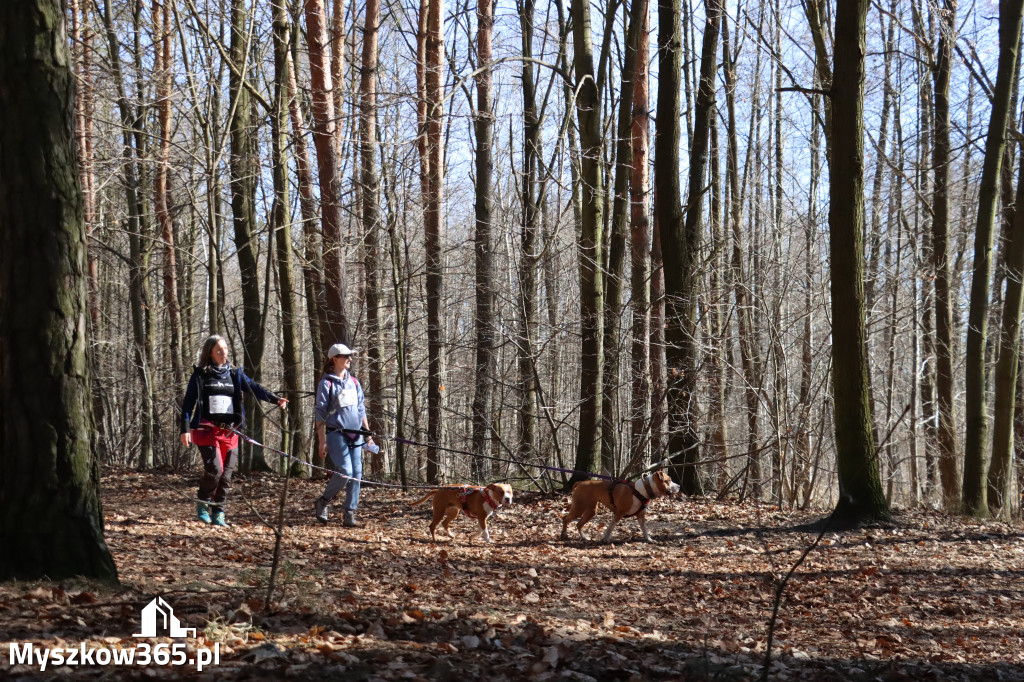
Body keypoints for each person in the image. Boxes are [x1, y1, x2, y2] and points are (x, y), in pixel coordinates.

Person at [180, 335, 287, 526]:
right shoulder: (201, 375)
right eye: (219, 350)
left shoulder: (235, 374)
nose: (223, 353)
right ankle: (203, 502)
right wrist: (185, 428)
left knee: (226, 474)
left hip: (230, 432)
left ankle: (219, 511)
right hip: (207, 430)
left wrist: (275, 399)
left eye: (225, 349)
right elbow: (188, 402)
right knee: (215, 470)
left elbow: (254, 388)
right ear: (210, 353)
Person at [313, 343, 376, 526]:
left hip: (356, 435)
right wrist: (321, 441)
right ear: (335, 359)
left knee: (356, 474)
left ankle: (349, 513)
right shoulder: (327, 383)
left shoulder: (354, 382)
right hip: (336, 434)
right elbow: (320, 413)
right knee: (346, 471)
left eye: (350, 356)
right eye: (345, 356)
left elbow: (360, 409)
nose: (349, 359)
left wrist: (368, 435)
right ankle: (323, 501)